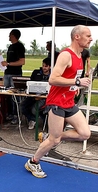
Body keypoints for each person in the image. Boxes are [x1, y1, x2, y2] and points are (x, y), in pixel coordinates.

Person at [24, 25, 92, 178]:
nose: (91, 38)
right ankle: (33, 162)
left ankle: (51, 137)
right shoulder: (65, 55)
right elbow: (53, 79)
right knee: (54, 140)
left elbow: (71, 79)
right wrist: (77, 82)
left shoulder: (80, 56)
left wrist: (76, 87)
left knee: (84, 133)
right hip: (56, 102)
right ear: (77, 37)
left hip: (68, 102)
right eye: (88, 35)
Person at [0, 29, 26, 124]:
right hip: (7, 74)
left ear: (14, 36)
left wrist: (8, 64)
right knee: (7, 96)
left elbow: (22, 61)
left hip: (15, 74)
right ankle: (9, 114)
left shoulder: (19, 46)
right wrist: (5, 65)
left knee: (15, 97)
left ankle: (16, 115)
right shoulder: (10, 46)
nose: (8, 37)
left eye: (10, 35)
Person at [21, 57, 51, 130]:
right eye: (43, 65)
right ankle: (32, 119)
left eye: (46, 66)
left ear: (50, 67)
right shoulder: (36, 72)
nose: (44, 68)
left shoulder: (52, 75)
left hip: (45, 98)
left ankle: (39, 119)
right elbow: (31, 83)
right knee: (22, 106)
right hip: (33, 95)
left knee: (34, 109)